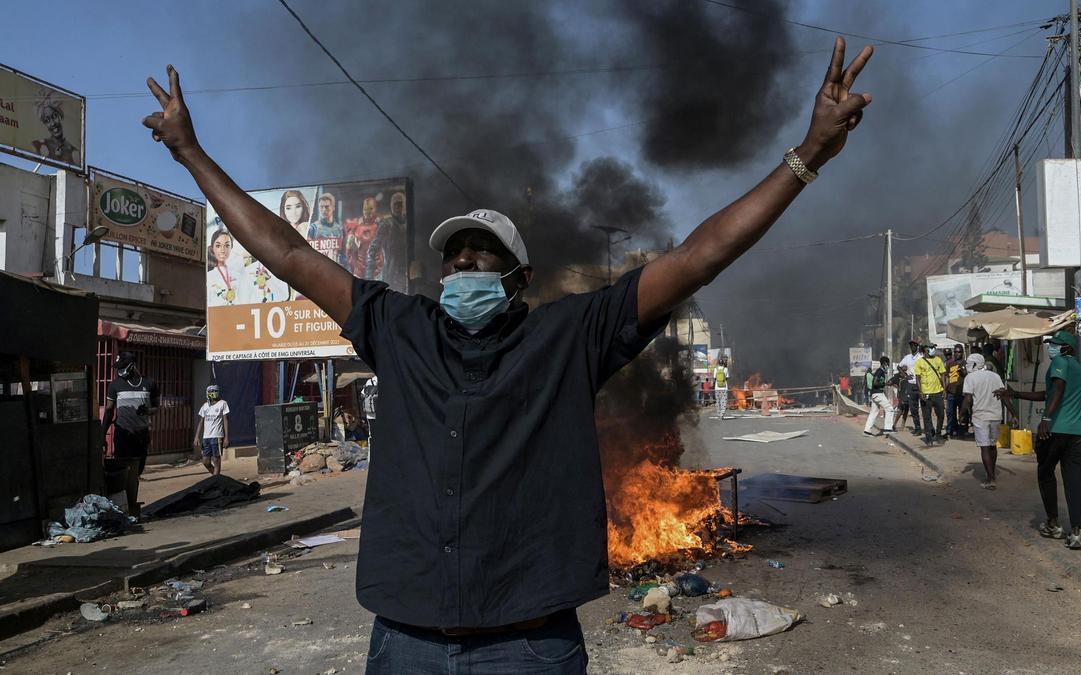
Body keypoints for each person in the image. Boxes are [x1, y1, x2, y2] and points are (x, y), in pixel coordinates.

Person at [141, 39, 873, 672]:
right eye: (454, 258)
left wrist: (807, 155)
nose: (464, 266)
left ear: (520, 281)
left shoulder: (568, 336)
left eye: (482, 257)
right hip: (405, 645)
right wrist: (189, 152)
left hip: (530, 648)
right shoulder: (397, 328)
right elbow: (289, 251)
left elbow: (697, 258)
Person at [996, 331, 1081, 550]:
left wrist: (1046, 418)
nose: (1051, 347)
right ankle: (1075, 533)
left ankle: (1054, 524)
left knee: (1045, 472)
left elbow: (1056, 389)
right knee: (1075, 482)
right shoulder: (1079, 368)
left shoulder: (1059, 361)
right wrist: (1017, 394)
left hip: (1056, 430)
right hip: (1079, 433)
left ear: (1066, 348)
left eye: (1055, 344)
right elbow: (1049, 393)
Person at [100, 351, 159, 518]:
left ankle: (131, 504)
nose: (119, 371)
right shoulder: (115, 385)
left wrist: (148, 410)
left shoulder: (149, 383)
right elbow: (109, 411)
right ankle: (123, 508)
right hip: (122, 434)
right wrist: (102, 435)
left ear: (132, 366)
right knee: (122, 471)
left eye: (122, 367)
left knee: (137, 472)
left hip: (141, 435)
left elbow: (156, 408)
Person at [961, 353, 1011, 489]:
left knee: (984, 447)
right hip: (996, 415)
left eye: (968, 363)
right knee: (992, 446)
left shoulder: (970, 378)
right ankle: (992, 473)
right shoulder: (995, 376)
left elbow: (968, 399)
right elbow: (1004, 395)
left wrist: (962, 414)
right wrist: (1014, 414)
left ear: (975, 364)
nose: (966, 366)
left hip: (980, 417)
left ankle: (991, 478)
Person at [31, 94, 81, 166]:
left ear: (60, 115)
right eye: (47, 121)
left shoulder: (76, 154)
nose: (52, 123)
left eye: (54, 116)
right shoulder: (37, 146)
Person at [913, 344, 947, 445]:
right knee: (927, 417)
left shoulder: (938, 360)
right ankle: (929, 438)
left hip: (938, 392)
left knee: (941, 414)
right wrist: (920, 392)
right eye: (929, 350)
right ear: (924, 351)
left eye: (932, 349)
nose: (931, 351)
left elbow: (943, 375)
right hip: (926, 393)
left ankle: (938, 434)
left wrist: (944, 389)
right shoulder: (919, 362)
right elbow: (918, 378)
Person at [194, 384, 230, 476]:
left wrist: (226, 438)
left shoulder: (223, 403)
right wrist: (197, 436)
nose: (214, 393)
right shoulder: (205, 406)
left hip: (217, 436)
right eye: (212, 391)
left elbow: (225, 420)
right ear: (208, 393)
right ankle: (217, 478)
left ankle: (216, 480)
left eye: (215, 391)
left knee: (216, 460)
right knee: (205, 461)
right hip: (206, 438)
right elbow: (201, 422)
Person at [206, 227, 241, 306]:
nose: (222, 250)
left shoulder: (237, 275)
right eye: (218, 246)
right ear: (212, 248)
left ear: (231, 247)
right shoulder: (209, 276)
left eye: (227, 245)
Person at [863, 356, 895, 436]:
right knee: (890, 409)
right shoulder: (880, 371)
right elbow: (875, 383)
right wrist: (885, 384)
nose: (888, 366)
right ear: (885, 363)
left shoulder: (880, 371)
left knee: (873, 412)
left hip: (875, 394)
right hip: (878, 393)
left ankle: (867, 431)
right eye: (888, 364)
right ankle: (888, 429)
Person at [308, 192, 344, 263]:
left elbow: (343, 255)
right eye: (321, 207)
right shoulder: (313, 228)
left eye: (327, 207)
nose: (324, 210)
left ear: (333, 207)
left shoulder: (340, 230)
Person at [898, 339, 923, 435]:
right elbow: (899, 367)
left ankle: (929, 428)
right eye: (911, 345)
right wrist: (905, 375)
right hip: (911, 384)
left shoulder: (921, 357)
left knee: (925, 407)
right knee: (913, 408)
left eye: (914, 345)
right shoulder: (907, 358)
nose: (912, 347)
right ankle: (917, 428)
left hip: (920, 384)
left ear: (917, 346)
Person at [945, 344, 965, 438]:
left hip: (962, 393)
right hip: (951, 392)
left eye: (959, 352)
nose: (958, 354)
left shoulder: (965, 363)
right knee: (950, 413)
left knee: (962, 412)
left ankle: (961, 431)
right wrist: (945, 388)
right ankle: (950, 430)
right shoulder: (950, 363)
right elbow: (945, 375)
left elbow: (968, 376)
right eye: (956, 352)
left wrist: (963, 371)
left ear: (962, 353)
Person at [893, 364, 913, 432]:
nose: (906, 367)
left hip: (907, 395)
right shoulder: (897, 375)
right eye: (904, 366)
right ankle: (894, 424)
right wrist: (898, 387)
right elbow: (892, 382)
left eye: (906, 366)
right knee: (900, 410)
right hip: (901, 395)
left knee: (906, 410)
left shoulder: (907, 375)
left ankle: (902, 425)